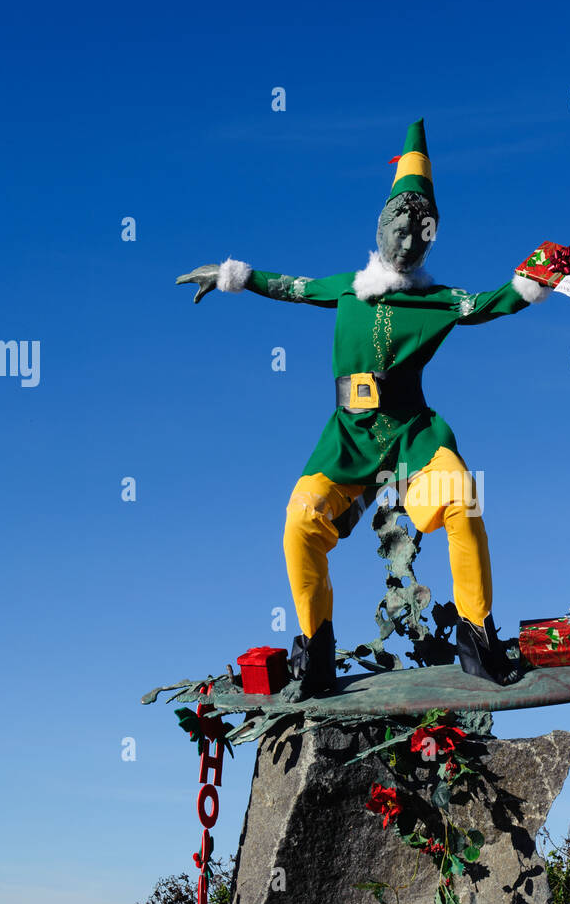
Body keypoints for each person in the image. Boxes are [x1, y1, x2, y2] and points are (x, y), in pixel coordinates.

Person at [177, 119, 550, 696]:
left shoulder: (438, 301)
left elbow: (495, 302)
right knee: (301, 521)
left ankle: (478, 639)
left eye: (422, 233)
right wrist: (233, 276)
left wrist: (538, 275)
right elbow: (288, 285)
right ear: (379, 227)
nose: (408, 242)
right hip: (347, 440)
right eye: (399, 227)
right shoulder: (346, 288)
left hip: (413, 438)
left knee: (460, 496)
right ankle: (317, 656)